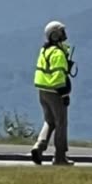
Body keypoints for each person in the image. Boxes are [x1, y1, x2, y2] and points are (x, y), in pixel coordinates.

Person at [30, 20, 76, 166]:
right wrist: (64, 94)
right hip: (55, 92)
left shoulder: (45, 50)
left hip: (42, 91)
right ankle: (60, 157)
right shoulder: (57, 53)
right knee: (61, 123)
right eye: (61, 31)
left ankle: (39, 145)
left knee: (49, 121)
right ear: (55, 35)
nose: (64, 34)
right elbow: (58, 77)